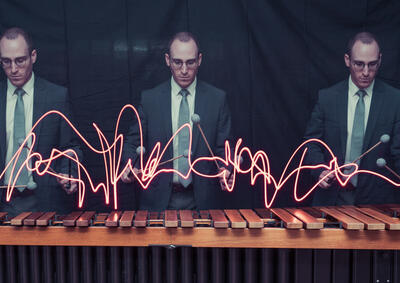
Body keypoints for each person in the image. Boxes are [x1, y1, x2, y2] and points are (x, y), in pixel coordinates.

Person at [122, 32, 232, 210]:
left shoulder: (217, 99)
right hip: (157, 200)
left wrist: (227, 167)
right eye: (177, 62)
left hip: (204, 201)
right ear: (167, 60)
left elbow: (225, 147)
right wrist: (129, 165)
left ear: (199, 60)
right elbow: (133, 142)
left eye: (190, 62)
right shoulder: (150, 100)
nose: (184, 70)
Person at [304, 31, 400, 206]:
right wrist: (320, 170)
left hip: (377, 201)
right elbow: (311, 143)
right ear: (347, 60)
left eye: (372, 65)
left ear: (380, 60)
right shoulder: (327, 98)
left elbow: (398, 152)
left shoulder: (395, 101)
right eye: (359, 64)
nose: (366, 72)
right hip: (332, 197)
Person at [0, 27, 82, 216]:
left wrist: (69, 172)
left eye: (20, 60)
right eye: (6, 62)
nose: (13, 69)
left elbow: (71, 147)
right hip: (3, 201)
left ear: (33, 56)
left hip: (46, 202)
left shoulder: (56, 96)